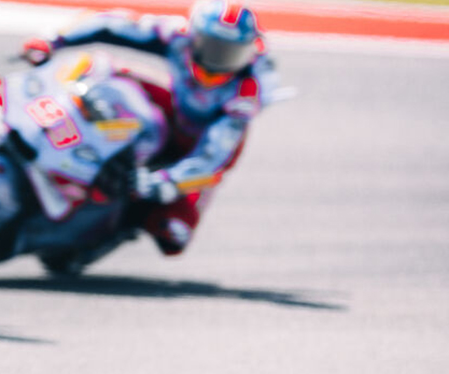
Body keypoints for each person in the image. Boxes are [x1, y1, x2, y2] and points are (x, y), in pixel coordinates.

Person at [17, 0, 276, 256]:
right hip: (175, 109)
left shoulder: (246, 92)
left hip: (203, 145)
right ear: (194, 36)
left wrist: (164, 181)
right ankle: (54, 124)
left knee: (174, 235)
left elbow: (212, 157)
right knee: (100, 68)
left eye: (230, 53)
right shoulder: (177, 36)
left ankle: (119, 224)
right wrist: (53, 40)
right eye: (212, 48)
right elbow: (111, 24)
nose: (217, 60)